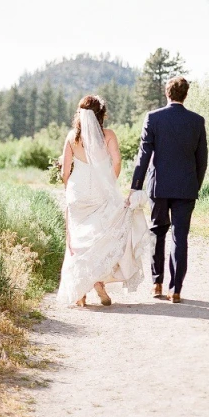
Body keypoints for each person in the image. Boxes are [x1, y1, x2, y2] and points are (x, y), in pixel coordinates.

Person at [57, 94, 152, 307]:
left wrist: (68, 190)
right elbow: (117, 162)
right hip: (100, 191)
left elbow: (65, 170)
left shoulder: (72, 137)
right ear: (102, 114)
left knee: (78, 242)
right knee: (99, 238)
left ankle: (80, 292)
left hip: (78, 192)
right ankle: (99, 282)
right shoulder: (108, 135)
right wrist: (109, 183)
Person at [128, 77, 208, 303]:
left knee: (157, 232)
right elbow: (202, 161)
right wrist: (195, 185)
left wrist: (136, 187)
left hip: (159, 187)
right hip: (186, 188)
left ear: (167, 93)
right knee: (179, 236)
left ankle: (157, 284)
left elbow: (143, 156)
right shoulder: (197, 121)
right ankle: (176, 290)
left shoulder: (153, 118)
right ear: (186, 94)